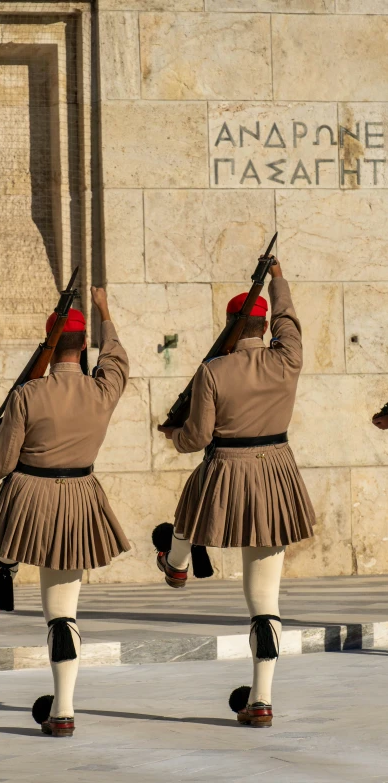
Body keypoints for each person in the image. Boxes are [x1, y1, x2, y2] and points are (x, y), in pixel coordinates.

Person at [157, 258, 315, 728]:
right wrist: (278, 279)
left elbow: (197, 438)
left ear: (229, 326)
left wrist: (173, 435)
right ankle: (261, 700)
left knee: (190, 499)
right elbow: (290, 321)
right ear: (265, 325)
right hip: (276, 475)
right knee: (265, 601)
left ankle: (178, 563)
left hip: (227, 470)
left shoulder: (215, 371)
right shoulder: (287, 357)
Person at [0, 286, 130, 738]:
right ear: (84, 349)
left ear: (50, 346)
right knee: (63, 614)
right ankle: (63, 710)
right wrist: (104, 313)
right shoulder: (103, 390)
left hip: (27, 498)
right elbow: (118, 360)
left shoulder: (29, 394)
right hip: (78, 498)